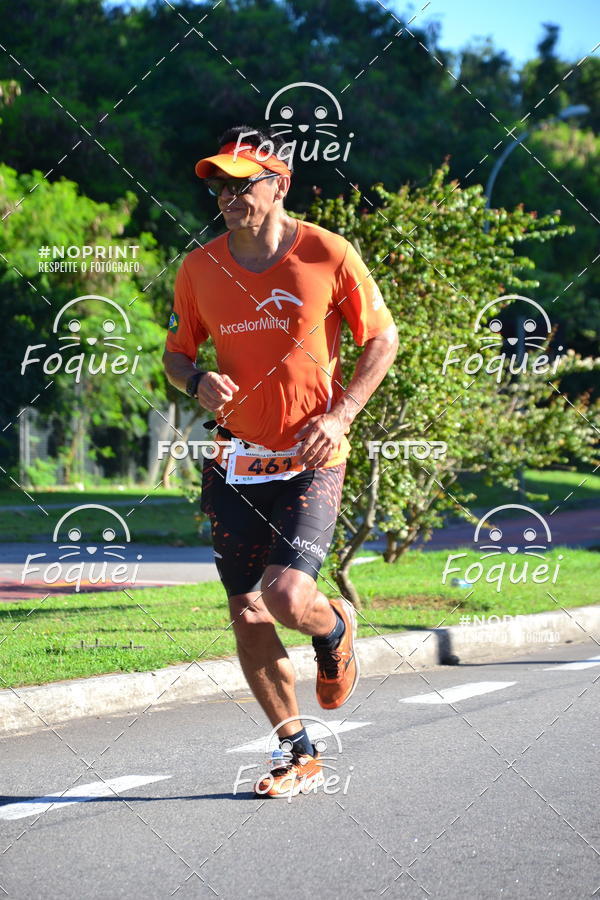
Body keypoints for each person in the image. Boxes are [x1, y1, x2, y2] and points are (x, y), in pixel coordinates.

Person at [163, 125, 398, 798]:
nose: (228, 196)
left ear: (280, 184)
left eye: (243, 183)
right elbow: (176, 355)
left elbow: (382, 338)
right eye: (219, 185)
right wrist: (195, 380)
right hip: (236, 459)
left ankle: (335, 625)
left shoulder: (327, 252)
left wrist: (341, 414)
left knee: (288, 596)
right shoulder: (198, 268)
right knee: (247, 610)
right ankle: (296, 751)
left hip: (311, 455)